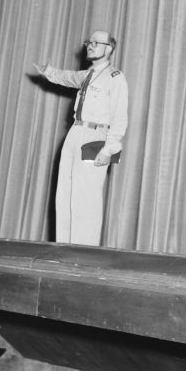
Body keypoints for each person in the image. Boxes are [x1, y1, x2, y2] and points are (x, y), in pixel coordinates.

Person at [33, 30, 128, 246]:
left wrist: (109, 149)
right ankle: (64, 247)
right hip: (74, 133)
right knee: (64, 195)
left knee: (87, 197)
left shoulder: (116, 78)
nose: (91, 45)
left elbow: (120, 117)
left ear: (109, 48)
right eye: (89, 42)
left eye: (97, 42)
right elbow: (66, 77)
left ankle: (84, 250)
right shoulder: (86, 75)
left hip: (96, 136)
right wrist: (48, 72)